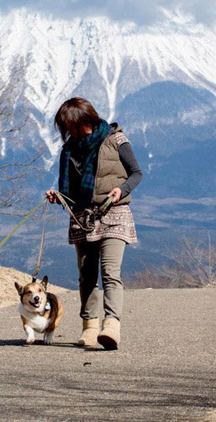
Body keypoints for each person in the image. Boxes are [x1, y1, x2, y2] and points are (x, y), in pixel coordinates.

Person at [46, 97, 142, 350]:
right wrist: (58, 196)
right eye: (67, 127)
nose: (71, 132)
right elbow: (70, 192)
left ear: (88, 120)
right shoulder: (68, 151)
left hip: (114, 213)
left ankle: (111, 326)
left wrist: (121, 190)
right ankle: (89, 327)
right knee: (86, 277)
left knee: (110, 273)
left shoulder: (116, 140)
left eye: (74, 126)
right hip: (82, 217)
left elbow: (136, 173)